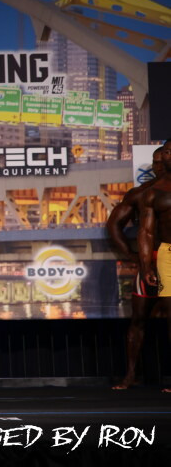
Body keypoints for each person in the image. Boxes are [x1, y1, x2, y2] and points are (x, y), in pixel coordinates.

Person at [106, 147, 163, 389]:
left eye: (164, 159)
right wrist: (131, 255)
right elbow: (114, 224)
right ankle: (130, 375)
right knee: (138, 318)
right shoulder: (142, 193)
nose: (160, 165)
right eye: (156, 161)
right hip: (151, 259)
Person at [137, 139, 171, 393]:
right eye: (167, 151)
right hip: (168, 253)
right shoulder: (153, 192)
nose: (169, 156)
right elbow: (146, 233)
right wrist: (146, 266)